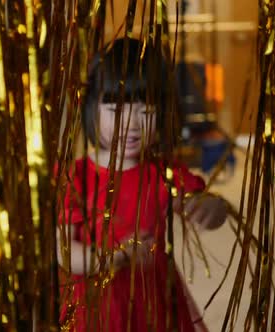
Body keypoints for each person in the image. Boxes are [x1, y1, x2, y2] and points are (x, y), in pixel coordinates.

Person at [57, 38, 227, 332]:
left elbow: (199, 204)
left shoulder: (164, 172)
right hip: (98, 307)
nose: (132, 125)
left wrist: (214, 206)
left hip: (155, 300)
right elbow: (65, 253)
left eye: (146, 112)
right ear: (92, 108)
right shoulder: (77, 176)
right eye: (117, 111)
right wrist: (113, 257)